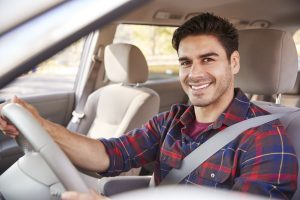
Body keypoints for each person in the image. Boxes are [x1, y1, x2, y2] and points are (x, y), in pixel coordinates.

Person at [0, 13, 298, 200]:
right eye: (185, 62)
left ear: (233, 63)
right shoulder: (172, 120)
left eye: (208, 59)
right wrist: (41, 125)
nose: (194, 74)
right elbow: (109, 155)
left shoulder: (267, 139)